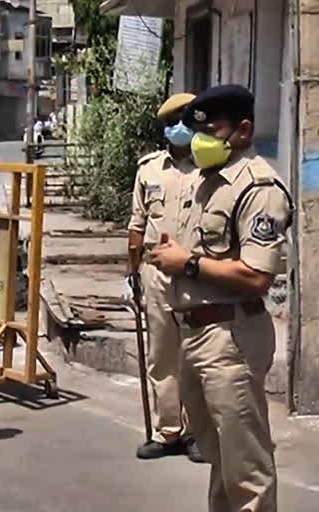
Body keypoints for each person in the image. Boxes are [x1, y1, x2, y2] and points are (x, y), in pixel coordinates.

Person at [150, 84, 292, 512]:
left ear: (244, 130)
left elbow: (256, 276)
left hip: (231, 337)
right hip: (196, 334)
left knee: (247, 470)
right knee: (220, 460)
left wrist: (187, 264)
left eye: (212, 130)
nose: (201, 141)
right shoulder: (207, 180)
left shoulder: (258, 187)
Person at [127, 93, 203, 463]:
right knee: (162, 356)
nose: (178, 128)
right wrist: (132, 271)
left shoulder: (211, 168)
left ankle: (197, 433)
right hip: (156, 274)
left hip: (197, 274)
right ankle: (168, 431)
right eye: (172, 122)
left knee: (196, 355)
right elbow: (137, 224)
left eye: (185, 120)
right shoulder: (149, 169)